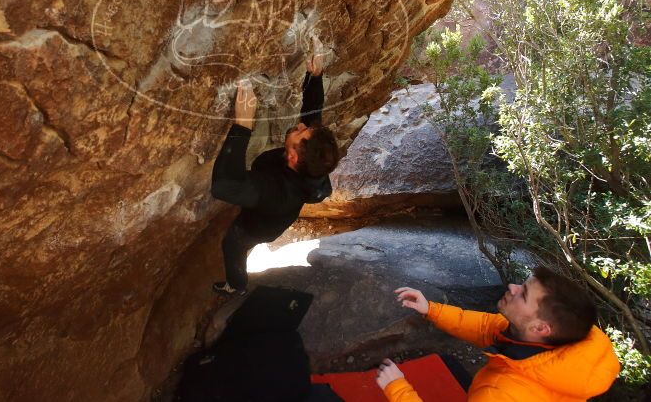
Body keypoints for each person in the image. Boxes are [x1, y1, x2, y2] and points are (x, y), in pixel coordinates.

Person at [376, 266, 620, 401]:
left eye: (523, 294)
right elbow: (486, 326)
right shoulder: (563, 347)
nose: (512, 288)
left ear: (540, 328)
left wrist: (397, 389)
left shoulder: (498, 393)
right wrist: (432, 309)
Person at [210, 40, 340, 295]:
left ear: (293, 158)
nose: (300, 127)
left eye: (300, 134)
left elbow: (224, 186)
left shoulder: (276, 191)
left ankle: (236, 286)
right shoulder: (314, 164)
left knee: (232, 244)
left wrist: (242, 125)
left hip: (256, 227)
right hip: (276, 216)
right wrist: (315, 76)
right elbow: (313, 115)